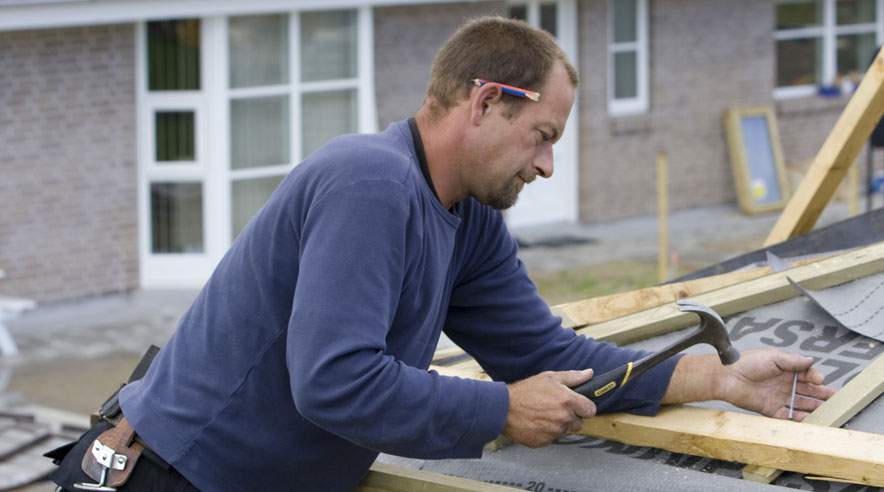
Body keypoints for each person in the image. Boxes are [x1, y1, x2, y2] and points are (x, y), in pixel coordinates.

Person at [48, 16, 835, 491]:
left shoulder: (466, 218)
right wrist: (499, 411)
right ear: (487, 100)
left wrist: (719, 377)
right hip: (168, 479)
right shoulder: (370, 182)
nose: (547, 166)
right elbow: (332, 382)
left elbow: (542, 352)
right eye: (544, 137)